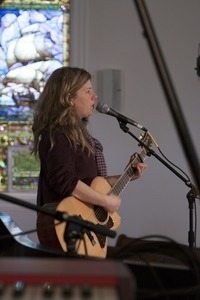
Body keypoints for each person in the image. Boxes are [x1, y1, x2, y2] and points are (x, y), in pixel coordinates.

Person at [31, 66, 147, 258]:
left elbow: (91, 182)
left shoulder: (78, 134)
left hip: (84, 229)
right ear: (69, 98)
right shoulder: (58, 133)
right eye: (87, 91)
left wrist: (126, 175)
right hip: (68, 227)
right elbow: (65, 181)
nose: (94, 95)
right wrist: (105, 201)